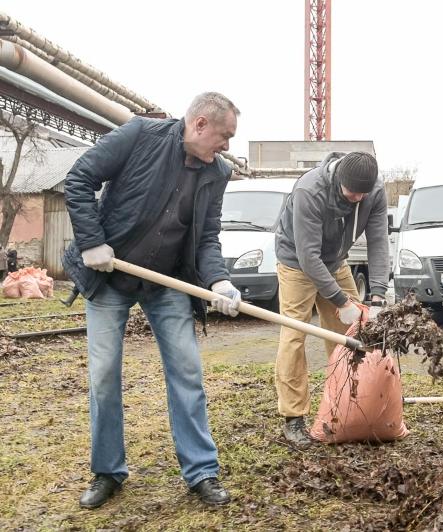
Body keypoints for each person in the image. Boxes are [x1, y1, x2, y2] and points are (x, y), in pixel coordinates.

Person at [62, 92, 242, 509]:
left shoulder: (218, 172)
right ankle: (108, 471)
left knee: (187, 371)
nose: (227, 146)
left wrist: (218, 281)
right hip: (109, 276)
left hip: (167, 282)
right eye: (224, 136)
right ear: (199, 124)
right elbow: (79, 179)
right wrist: (92, 242)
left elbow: (207, 235)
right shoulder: (140, 135)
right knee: (104, 375)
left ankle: (201, 471)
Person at [273, 151, 390, 447]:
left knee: (349, 334)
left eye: (363, 194)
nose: (357, 199)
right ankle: (293, 417)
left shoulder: (373, 192)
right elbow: (308, 256)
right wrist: (342, 302)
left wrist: (376, 296)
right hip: (297, 262)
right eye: (352, 192)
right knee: (295, 333)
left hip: (336, 261)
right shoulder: (309, 190)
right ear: (339, 179)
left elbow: (378, 242)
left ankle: (349, 403)